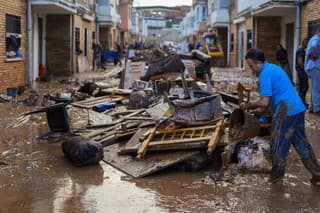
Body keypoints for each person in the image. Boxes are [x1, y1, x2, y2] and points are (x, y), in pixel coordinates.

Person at [241, 48, 320, 186]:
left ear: (259, 62)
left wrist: (248, 106)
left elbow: (264, 101)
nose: (251, 69)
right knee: (302, 144)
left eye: (251, 66)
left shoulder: (264, 74)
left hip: (286, 111)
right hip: (298, 108)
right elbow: (269, 102)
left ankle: (275, 181)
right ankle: (318, 174)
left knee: (277, 145)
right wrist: (259, 112)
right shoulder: (273, 68)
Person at [305, 27, 320, 114]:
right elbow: (314, 46)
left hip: (312, 67)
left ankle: (311, 107)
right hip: (315, 67)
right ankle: (317, 109)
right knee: (316, 89)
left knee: (314, 88)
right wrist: (316, 54)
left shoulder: (313, 38)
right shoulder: (316, 39)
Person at [295, 38, 309, 106]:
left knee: (303, 87)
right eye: (307, 43)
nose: (308, 45)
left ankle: (301, 102)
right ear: (304, 43)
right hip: (301, 71)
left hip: (300, 71)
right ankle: (301, 103)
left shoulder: (300, 50)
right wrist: (305, 69)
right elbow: (300, 61)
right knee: (304, 87)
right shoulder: (301, 51)